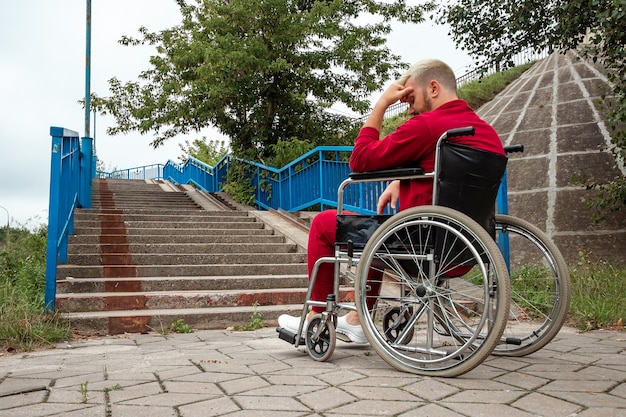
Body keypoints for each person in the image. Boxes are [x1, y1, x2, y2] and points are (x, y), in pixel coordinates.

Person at [278, 58, 505, 343]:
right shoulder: (485, 133)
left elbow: (359, 160)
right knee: (378, 228)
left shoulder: (427, 127)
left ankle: (317, 316)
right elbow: (450, 175)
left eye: (410, 98)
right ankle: (357, 319)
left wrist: (382, 104)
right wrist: (403, 180)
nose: (409, 109)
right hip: (466, 249)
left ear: (433, 88)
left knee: (326, 222)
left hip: (419, 244)